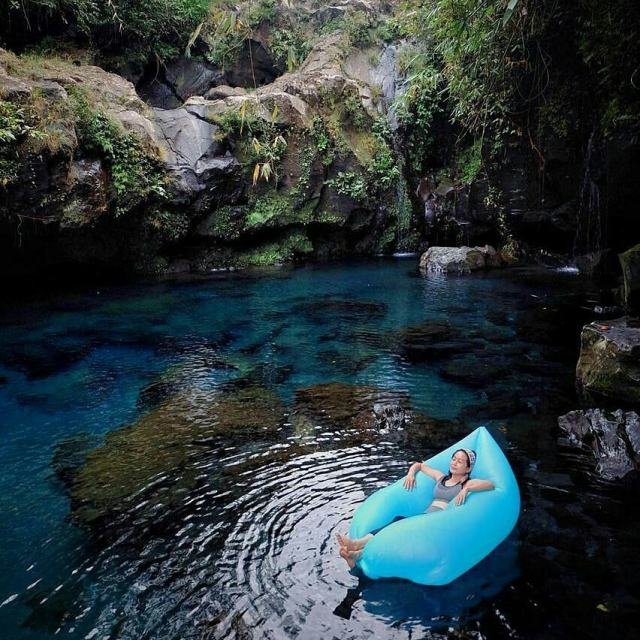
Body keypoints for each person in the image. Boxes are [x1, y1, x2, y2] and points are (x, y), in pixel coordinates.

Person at [336, 448, 495, 568]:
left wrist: (467, 489)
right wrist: (411, 474)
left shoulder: (465, 483)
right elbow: (419, 465)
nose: (454, 462)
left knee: (399, 529)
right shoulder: (441, 478)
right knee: (397, 520)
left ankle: (358, 547)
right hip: (423, 517)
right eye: (454, 458)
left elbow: (490, 484)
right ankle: (357, 552)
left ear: (468, 468)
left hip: (437, 523)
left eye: (460, 461)